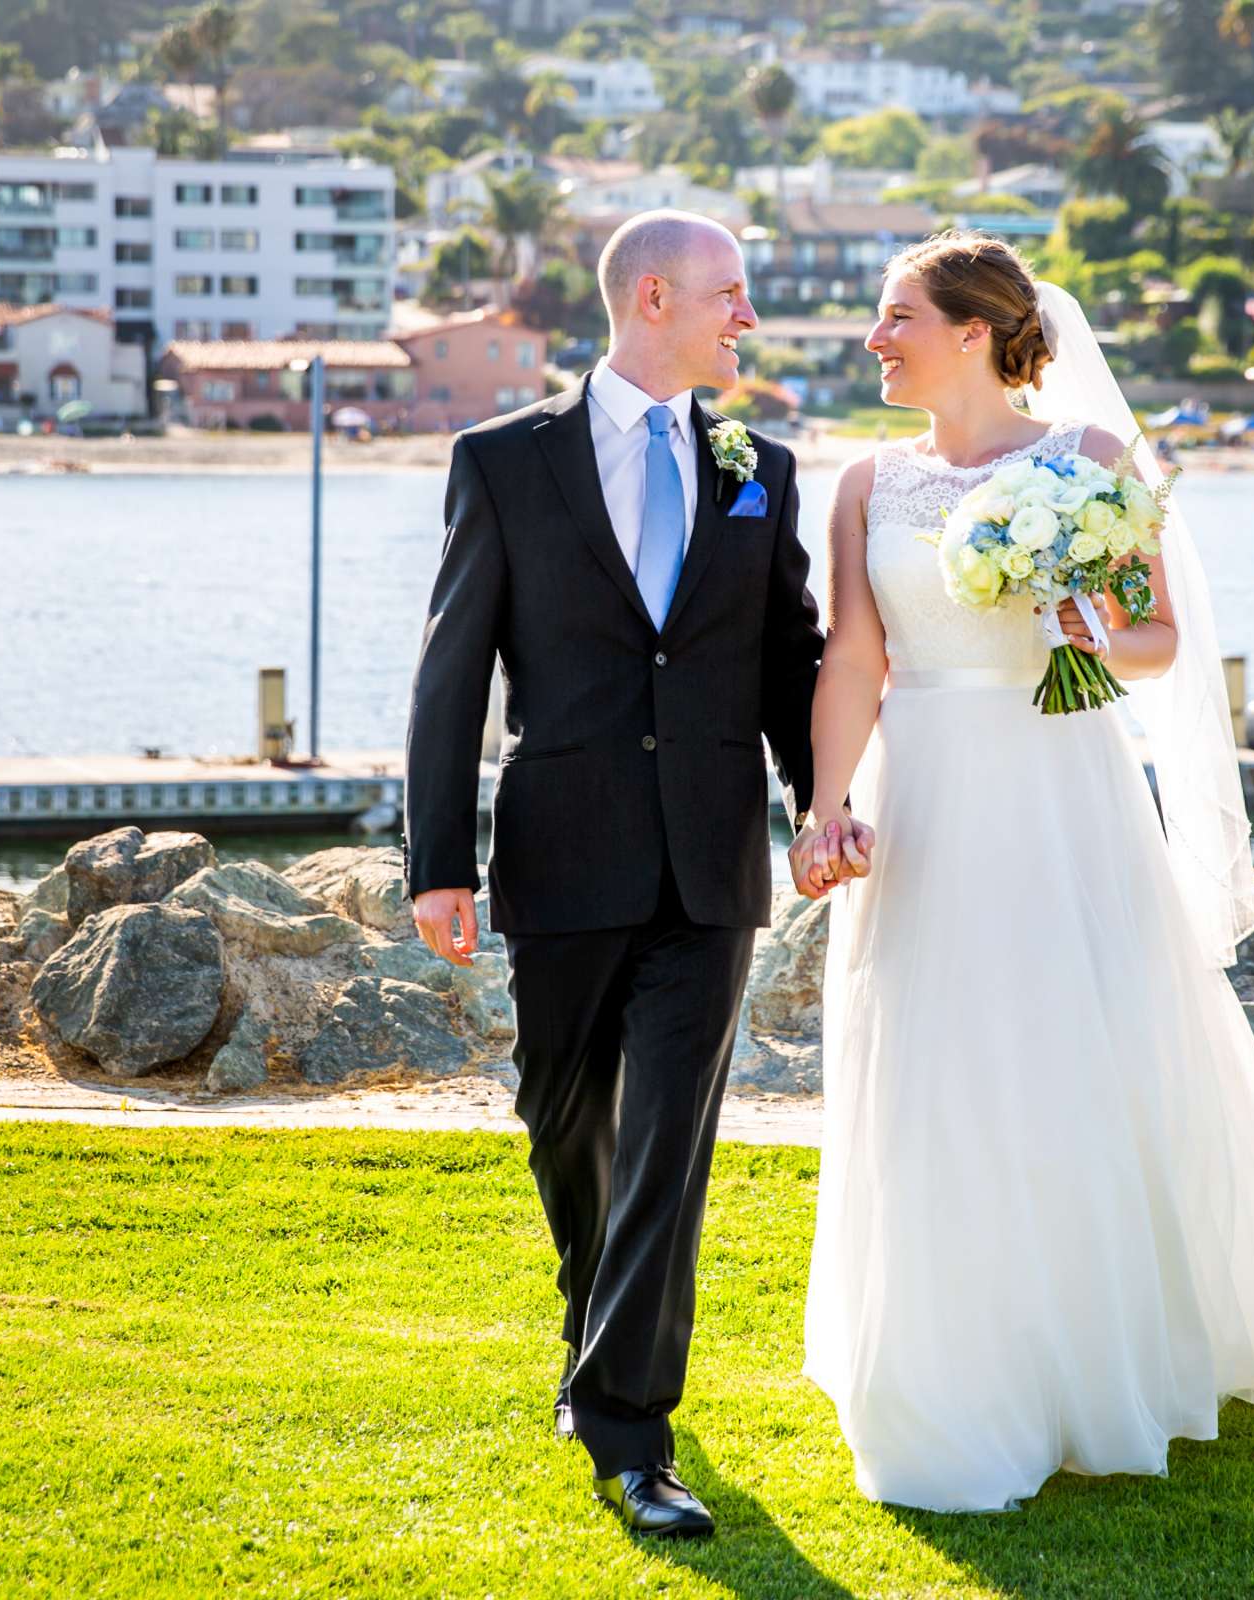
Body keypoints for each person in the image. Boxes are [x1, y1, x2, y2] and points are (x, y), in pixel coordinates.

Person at [795, 232, 1254, 1514]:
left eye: (895, 314)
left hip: (1057, 787)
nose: (874, 338)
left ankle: (1088, 1356)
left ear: (972, 330)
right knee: (929, 1057)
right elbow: (854, 658)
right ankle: (943, 1365)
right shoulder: (863, 482)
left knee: (1071, 1052)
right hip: (922, 790)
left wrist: (1083, 622)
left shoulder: (1086, 465)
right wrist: (822, 806)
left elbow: (1156, 640)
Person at [400, 210, 848, 1539]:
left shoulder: (757, 465)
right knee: (565, 1126)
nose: (746, 319)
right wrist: (437, 859)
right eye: (731, 294)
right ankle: (593, 1328)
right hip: (561, 848)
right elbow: (452, 669)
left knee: (669, 1148)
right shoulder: (502, 461)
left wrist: (824, 803)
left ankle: (630, 1437)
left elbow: (788, 660)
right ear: (653, 296)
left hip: (711, 864)